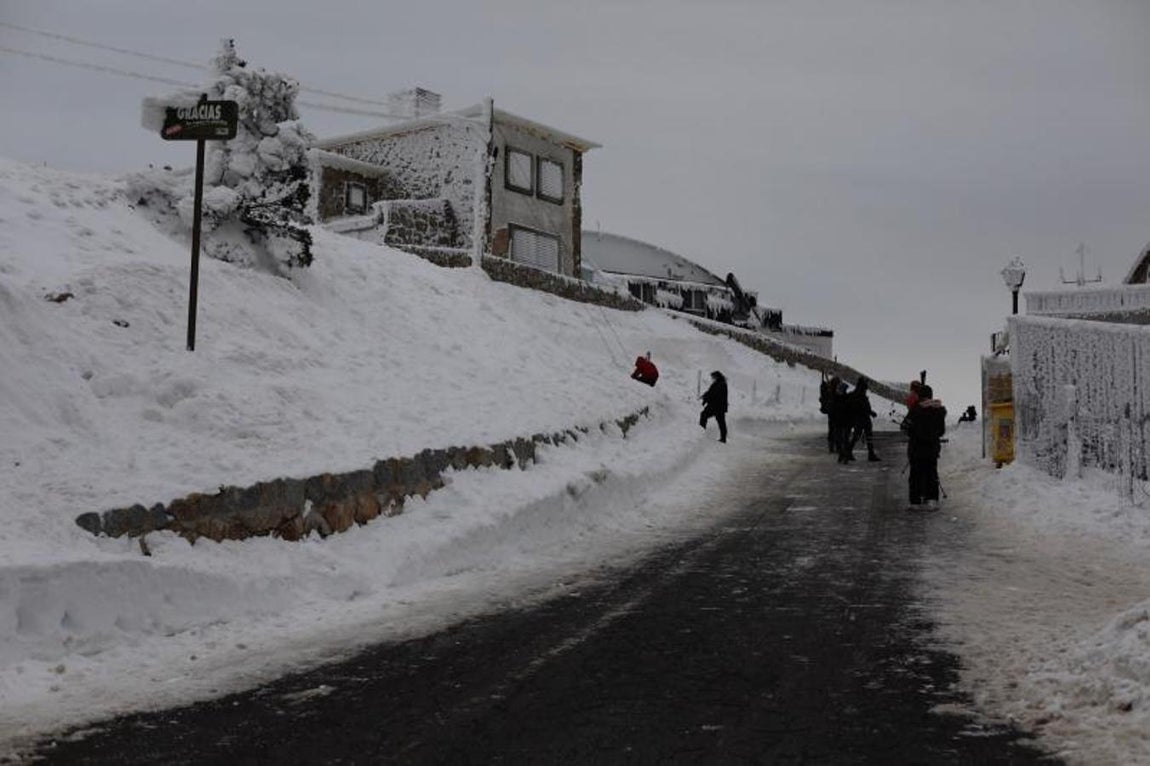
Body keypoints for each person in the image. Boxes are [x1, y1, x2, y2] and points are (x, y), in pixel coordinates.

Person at [905, 384, 947, 510]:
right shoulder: (938, 411)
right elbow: (941, 431)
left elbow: (906, 427)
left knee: (915, 474)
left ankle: (915, 502)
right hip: (932, 448)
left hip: (916, 447)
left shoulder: (915, 409)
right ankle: (932, 501)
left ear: (920, 396)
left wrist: (914, 433)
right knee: (931, 473)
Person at [839, 377, 880, 463]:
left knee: (859, 436)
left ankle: (849, 453)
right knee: (864, 436)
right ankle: (850, 453)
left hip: (860, 418)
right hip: (862, 418)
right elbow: (862, 406)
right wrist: (871, 412)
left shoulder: (857, 392)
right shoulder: (860, 393)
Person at [699, 370, 728, 443]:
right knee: (721, 422)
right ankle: (723, 438)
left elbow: (713, 394)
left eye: (713, 377)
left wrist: (705, 398)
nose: (712, 378)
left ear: (717, 376)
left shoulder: (721, 384)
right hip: (717, 407)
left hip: (717, 407)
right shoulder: (717, 383)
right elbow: (710, 392)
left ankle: (701, 433)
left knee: (704, 415)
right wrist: (704, 397)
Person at [819, 374, 840, 453]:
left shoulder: (829, 390)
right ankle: (836, 447)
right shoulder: (833, 391)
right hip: (834, 412)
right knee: (836, 430)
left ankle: (832, 447)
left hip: (831, 412)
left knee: (832, 429)